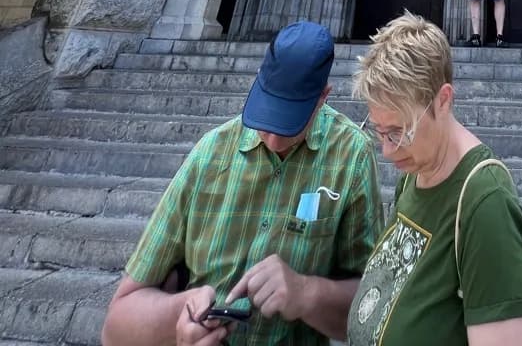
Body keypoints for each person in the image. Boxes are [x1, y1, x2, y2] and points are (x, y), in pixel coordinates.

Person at [101, 20, 383, 346]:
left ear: (322, 98)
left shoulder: (351, 156)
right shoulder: (210, 153)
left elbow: (371, 307)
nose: (275, 139)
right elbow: (115, 328)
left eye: (290, 122)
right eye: (267, 117)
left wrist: (307, 293)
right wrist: (180, 315)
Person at [347, 12, 522, 346]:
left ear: (444, 100)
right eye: (379, 132)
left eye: (399, 132)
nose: (388, 152)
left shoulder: (485, 204)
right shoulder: (416, 171)